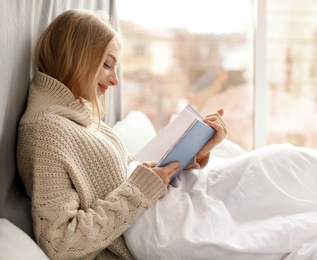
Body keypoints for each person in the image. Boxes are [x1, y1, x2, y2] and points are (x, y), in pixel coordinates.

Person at [16, 9, 227, 259]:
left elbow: (132, 174)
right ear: (75, 57)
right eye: (106, 65)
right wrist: (140, 190)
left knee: (278, 168)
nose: (115, 80)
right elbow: (60, 243)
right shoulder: (46, 132)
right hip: (152, 241)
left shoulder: (80, 120)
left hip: (164, 223)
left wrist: (195, 151)